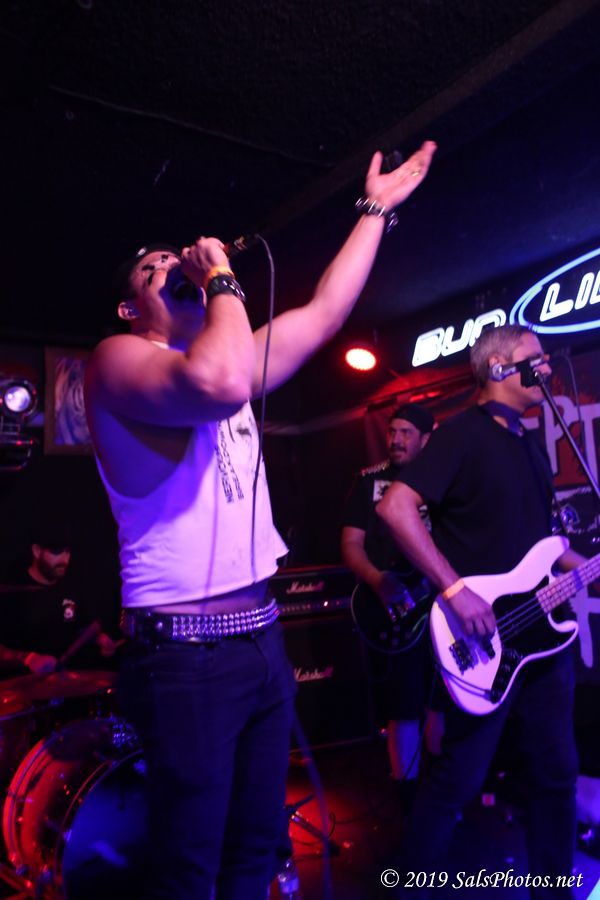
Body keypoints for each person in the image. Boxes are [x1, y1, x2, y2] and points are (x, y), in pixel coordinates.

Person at [83, 141, 437, 900]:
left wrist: (375, 211)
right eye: (152, 270)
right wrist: (217, 275)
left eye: (173, 259)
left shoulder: (231, 356)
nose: (170, 267)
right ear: (130, 307)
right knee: (189, 866)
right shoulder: (115, 359)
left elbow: (326, 312)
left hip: (260, 639)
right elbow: (217, 380)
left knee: (257, 850)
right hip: (185, 656)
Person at [377, 324, 587, 896]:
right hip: (480, 640)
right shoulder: (460, 435)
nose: (547, 368)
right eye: (535, 359)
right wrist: (453, 590)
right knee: (458, 779)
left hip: (541, 641)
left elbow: (542, 546)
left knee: (556, 772)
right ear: (498, 368)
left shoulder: (529, 442)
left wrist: (587, 566)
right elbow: (396, 508)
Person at [341, 404, 444, 807]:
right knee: (403, 701)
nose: (396, 440)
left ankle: (441, 793)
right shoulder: (369, 481)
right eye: (392, 432)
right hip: (394, 609)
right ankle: (407, 800)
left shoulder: (442, 479)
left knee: (443, 696)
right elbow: (351, 544)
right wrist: (378, 581)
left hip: (441, 607)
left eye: (406, 433)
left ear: (426, 439)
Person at [0, 524, 117, 677]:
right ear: (37, 551)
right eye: (56, 552)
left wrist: (99, 639)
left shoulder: (72, 586)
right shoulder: (11, 590)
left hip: (65, 681)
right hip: (20, 685)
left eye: (67, 552)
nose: (64, 559)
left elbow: (81, 627)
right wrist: (27, 658)